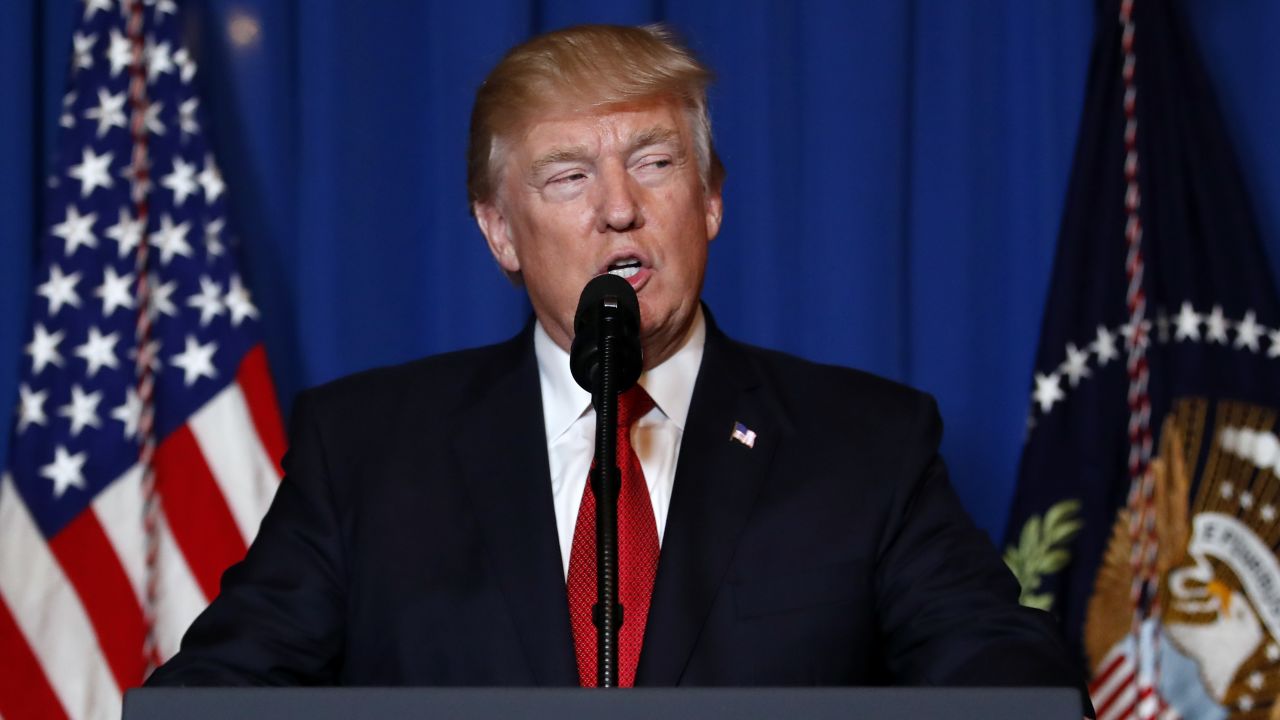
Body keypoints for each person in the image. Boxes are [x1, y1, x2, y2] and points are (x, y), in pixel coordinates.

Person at [149, 23, 1088, 706]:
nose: (618, 208)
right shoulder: (367, 450)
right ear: (499, 231)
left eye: (656, 162)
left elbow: (1007, 682)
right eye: (568, 176)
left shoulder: (866, 444)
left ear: (710, 200)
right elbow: (216, 694)